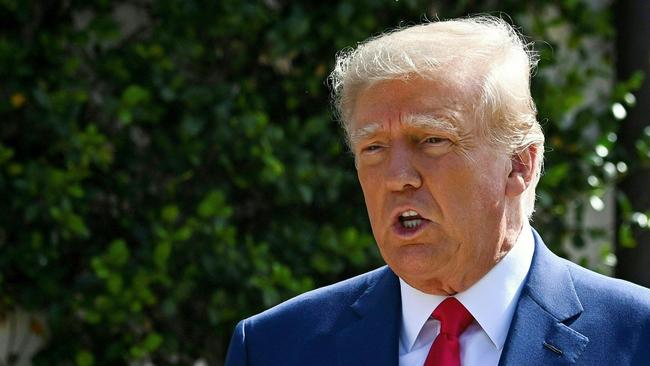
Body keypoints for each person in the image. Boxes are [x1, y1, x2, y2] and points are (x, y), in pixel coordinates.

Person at [224, 16, 650, 366]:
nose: (397, 177)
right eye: (373, 147)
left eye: (432, 140)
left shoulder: (637, 335)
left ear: (520, 164)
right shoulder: (273, 346)